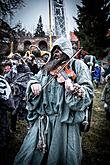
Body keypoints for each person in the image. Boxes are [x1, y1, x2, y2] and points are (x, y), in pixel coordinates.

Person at [13, 37, 94, 165]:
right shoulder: (48, 66)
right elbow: (35, 78)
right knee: (29, 155)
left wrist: (74, 89)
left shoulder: (78, 65)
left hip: (64, 122)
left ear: (67, 51)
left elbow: (88, 91)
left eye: (60, 49)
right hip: (44, 119)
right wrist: (34, 84)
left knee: (61, 158)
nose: (57, 52)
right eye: (55, 50)